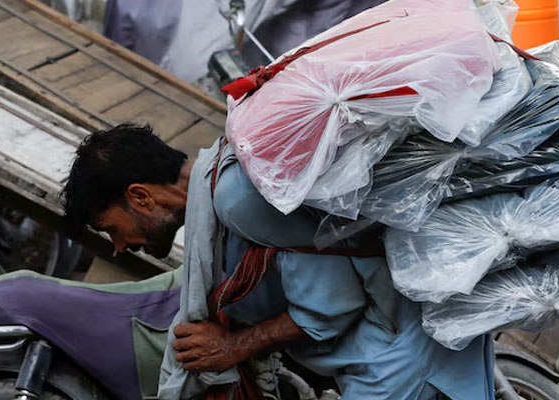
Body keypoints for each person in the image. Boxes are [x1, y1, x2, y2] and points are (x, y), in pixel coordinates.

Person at [62, 124, 495, 400]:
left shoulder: (235, 199)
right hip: (389, 353)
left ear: (140, 196)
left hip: (399, 366)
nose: (117, 246)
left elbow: (331, 306)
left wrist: (231, 346)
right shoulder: (221, 191)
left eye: (109, 227)